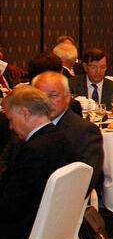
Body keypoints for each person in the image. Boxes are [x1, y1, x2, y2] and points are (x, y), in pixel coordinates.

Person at [0, 86, 76, 239]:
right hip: (49, 233)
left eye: (11, 119)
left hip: (20, 235)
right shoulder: (62, 140)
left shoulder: (33, 151)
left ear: (25, 114)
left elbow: (11, 207)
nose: (10, 126)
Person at [32, 71, 105, 199]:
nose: (46, 102)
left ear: (67, 97)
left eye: (54, 95)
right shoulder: (26, 126)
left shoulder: (84, 132)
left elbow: (83, 181)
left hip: (57, 201)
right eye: (40, 97)